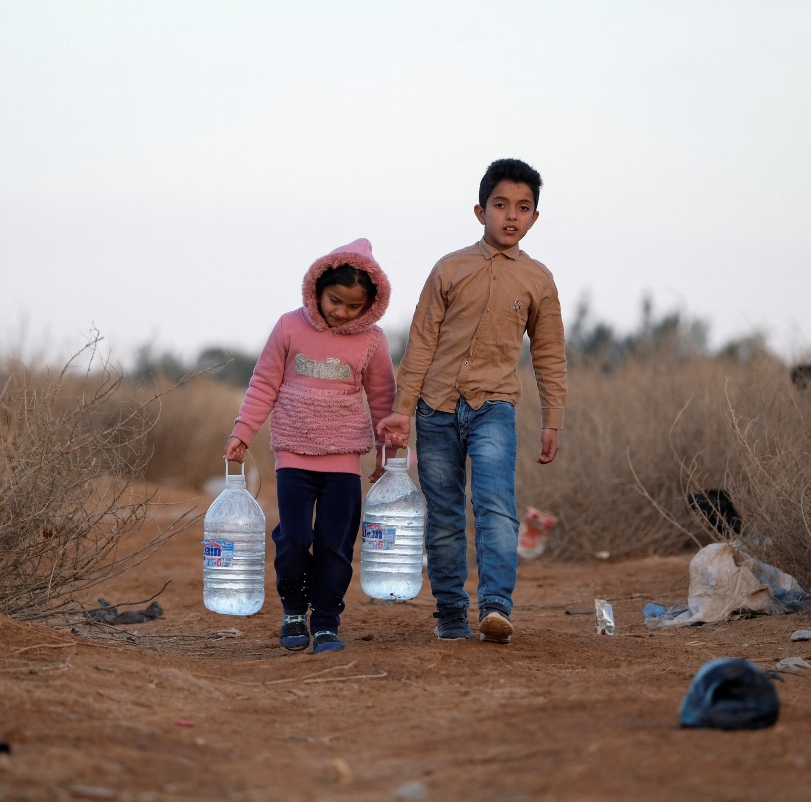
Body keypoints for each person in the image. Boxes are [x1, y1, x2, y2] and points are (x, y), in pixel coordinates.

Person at [377, 158, 568, 645]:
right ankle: (449, 611)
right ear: (480, 211)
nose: (511, 216)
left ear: (534, 219)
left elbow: (548, 353)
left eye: (523, 208)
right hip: (436, 409)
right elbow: (420, 342)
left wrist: (554, 419)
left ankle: (497, 606)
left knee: (495, 505)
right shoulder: (450, 269)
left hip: (495, 407)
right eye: (501, 205)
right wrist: (403, 408)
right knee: (443, 512)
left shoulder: (538, 281)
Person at [224, 238, 397, 654]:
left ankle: (325, 621)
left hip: (344, 457)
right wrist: (242, 432)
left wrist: (388, 454)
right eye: (334, 300)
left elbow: (382, 399)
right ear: (317, 288)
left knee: (336, 542)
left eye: (353, 306)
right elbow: (264, 383)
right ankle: (294, 612)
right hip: (293, 453)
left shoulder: (373, 341)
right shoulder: (289, 326)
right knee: (295, 536)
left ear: (370, 306)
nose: (341, 312)